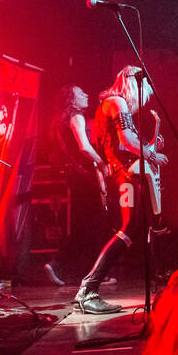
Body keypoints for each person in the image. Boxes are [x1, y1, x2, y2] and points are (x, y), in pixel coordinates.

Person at [74, 65, 167, 314]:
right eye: (142, 93)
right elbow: (126, 142)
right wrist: (151, 153)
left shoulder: (115, 104)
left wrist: (149, 147)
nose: (142, 100)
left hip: (126, 172)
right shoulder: (116, 101)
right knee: (128, 228)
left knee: (135, 228)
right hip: (123, 174)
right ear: (132, 85)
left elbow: (126, 145)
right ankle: (88, 289)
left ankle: (160, 282)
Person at [42, 84, 109, 286]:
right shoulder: (77, 118)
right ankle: (85, 271)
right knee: (92, 224)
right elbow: (84, 147)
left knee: (84, 226)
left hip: (74, 176)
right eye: (81, 93)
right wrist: (103, 164)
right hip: (84, 176)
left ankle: (65, 265)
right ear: (71, 100)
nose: (86, 94)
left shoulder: (59, 122)